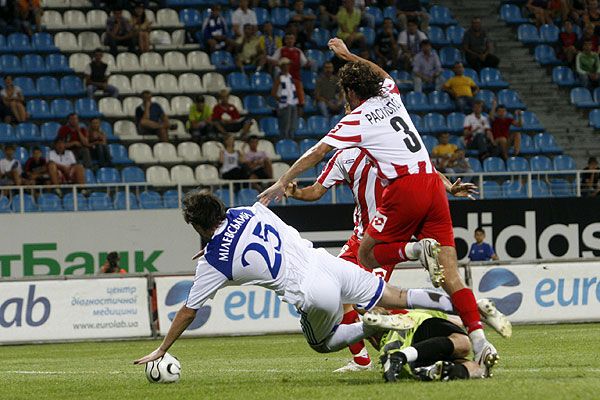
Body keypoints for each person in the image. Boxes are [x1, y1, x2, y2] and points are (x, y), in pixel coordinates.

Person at [259, 38, 499, 375]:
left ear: (352, 96)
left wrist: (282, 181)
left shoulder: (357, 119)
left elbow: (315, 152)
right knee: (451, 277)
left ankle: (414, 254)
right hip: (431, 183)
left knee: (366, 259)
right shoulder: (391, 94)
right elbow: (380, 72)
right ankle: (479, 342)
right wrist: (348, 56)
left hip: (403, 194)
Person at [133, 190, 500, 374]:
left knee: (323, 344)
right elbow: (235, 228)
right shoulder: (246, 210)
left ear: (197, 228)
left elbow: (187, 311)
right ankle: (466, 306)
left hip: (311, 291)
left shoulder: (213, 261)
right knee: (398, 293)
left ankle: (370, 324)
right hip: (327, 262)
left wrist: (163, 347)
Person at [285, 147, 506, 371]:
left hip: (384, 240)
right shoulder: (343, 156)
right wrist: (296, 193)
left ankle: (463, 317)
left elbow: (423, 168)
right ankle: (362, 361)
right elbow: (316, 190)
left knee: (374, 305)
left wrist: (449, 187)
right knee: (344, 295)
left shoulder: (386, 144)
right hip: (358, 239)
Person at [379, 309, 488, 382]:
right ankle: (401, 356)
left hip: (416, 361)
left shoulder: (384, 349)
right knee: (464, 344)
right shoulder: (407, 313)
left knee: (478, 369)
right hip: (423, 329)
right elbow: (459, 322)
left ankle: (443, 371)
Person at [272, 58, 300, 139]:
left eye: (288, 65)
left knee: (292, 125)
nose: (288, 66)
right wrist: (281, 101)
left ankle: (291, 140)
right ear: (282, 66)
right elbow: (273, 93)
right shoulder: (279, 78)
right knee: (285, 126)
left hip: (293, 103)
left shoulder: (290, 77)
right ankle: (284, 140)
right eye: (286, 65)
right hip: (285, 106)